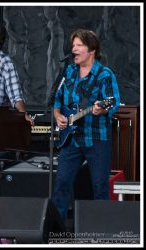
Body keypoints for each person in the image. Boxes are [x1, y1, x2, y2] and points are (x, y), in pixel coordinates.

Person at [52, 29, 121, 223]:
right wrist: (58, 117)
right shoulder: (69, 72)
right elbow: (57, 101)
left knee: (99, 185)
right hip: (71, 138)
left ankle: (101, 230)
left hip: (96, 138)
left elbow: (113, 101)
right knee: (62, 183)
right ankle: (57, 231)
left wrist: (102, 109)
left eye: (78, 45)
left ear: (91, 49)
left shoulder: (104, 74)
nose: (73, 49)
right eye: (73, 46)